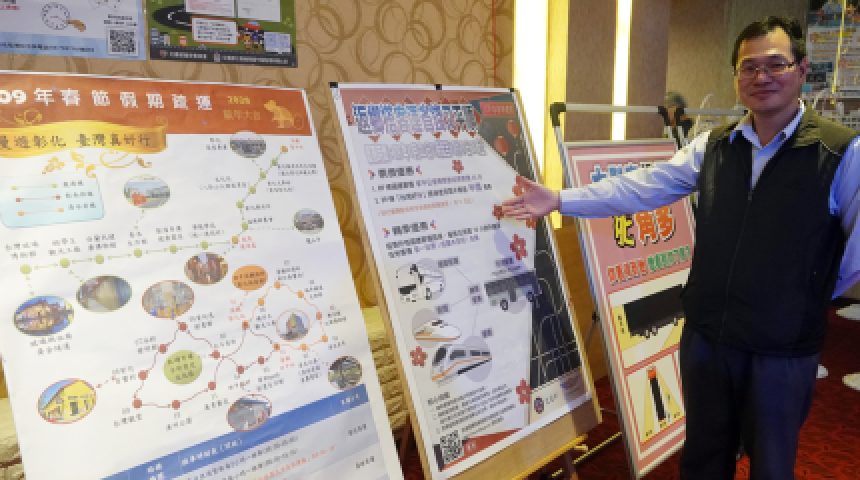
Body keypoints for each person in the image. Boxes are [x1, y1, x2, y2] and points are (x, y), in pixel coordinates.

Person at [503, 16, 860, 480]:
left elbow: (855, 254)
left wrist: (809, 296)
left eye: (776, 64)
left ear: (801, 69)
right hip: (708, 338)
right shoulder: (715, 146)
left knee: (772, 466)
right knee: (702, 459)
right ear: (736, 76)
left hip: (781, 347)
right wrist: (559, 199)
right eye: (749, 67)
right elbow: (644, 186)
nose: (762, 77)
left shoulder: (840, 151)